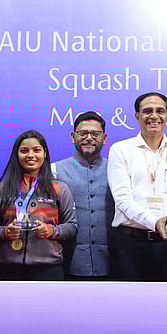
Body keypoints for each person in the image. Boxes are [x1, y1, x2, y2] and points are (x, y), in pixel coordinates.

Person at [108, 92, 167, 281]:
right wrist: (155, 222)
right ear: (137, 116)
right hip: (129, 243)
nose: (154, 116)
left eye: (160, 111)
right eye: (147, 111)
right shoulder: (121, 150)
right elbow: (122, 199)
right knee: (129, 298)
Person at [0, 130, 77, 280]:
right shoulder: (2, 189)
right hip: (7, 267)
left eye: (36, 150)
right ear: (17, 154)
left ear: (45, 153)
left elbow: (72, 227)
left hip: (48, 268)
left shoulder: (59, 189)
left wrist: (51, 230)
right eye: (24, 151)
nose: (30, 155)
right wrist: (5, 232)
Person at [52, 112, 113, 279]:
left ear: (104, 138)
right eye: (83, 133)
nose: (89, 138)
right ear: (73, 137)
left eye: (95, 134)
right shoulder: (54, 171)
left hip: (112, 261)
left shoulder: (117, 170)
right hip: (67, 261)